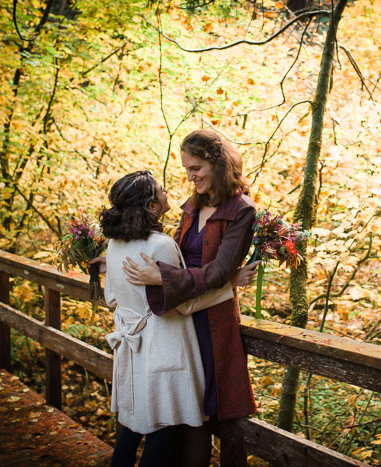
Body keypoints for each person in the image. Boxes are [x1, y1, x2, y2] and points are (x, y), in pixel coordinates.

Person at [123, 129, 258, 466]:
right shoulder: (191, 207)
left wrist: (162, 277)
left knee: (200, 413)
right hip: (178, 317)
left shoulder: (241, 209)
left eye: (195, 167)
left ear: (217, 163)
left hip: (211, 321)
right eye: (185, 169)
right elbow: (176, 253)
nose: (190, 176)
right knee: (178, 408)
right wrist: (108, 255)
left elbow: (216, 271)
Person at [100, 170, 240, 467]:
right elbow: (182, 304)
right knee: (162, 433)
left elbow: (111, 298)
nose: (167, 194)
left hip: (130, 348)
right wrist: (230, 284)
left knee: (130, 431)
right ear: (151, 206)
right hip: (164, 348)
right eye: (161, 190)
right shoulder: (161, 245)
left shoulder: (113, 245)